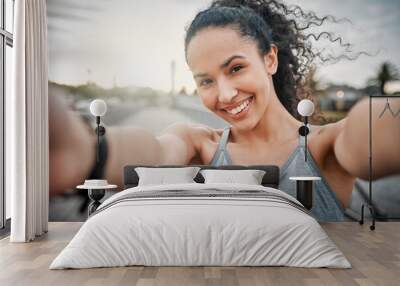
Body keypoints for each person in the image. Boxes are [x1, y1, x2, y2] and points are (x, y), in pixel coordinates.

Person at [49, 0, 400, 221]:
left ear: (270, 59)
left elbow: (367, 129)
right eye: (205, 81)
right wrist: (86, 147)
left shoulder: (326, 147)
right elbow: (156, 150)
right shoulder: (197, 143)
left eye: (235, 68)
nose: (226, 94)